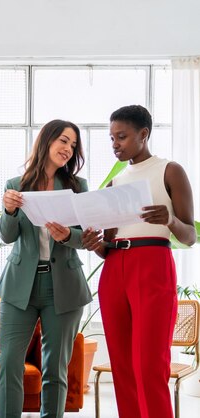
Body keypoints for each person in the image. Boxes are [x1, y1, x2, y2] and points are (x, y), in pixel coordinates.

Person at [82, 105, 196, 418]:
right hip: (114, 266)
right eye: (111, 138)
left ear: (143, 134)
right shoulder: (115, 183)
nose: (115, 143)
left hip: (152, 263)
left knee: (149, 364)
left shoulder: (169, 170)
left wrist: (170, 219)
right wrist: (96, 245)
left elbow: (189, 236)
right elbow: (108, 241)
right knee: (122, 364)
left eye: (122, 136)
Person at [0, 120, 92, 418]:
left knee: (55, 368)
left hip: (63, 286)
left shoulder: (77, 187)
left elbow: (86, 238)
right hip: (18, 287)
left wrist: (68, 236)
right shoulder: (16, 185)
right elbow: (8, 236)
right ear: (47, 141)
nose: (67, 149)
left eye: (73, 145)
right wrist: (9, 211)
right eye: (63, 141)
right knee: (10, 361)